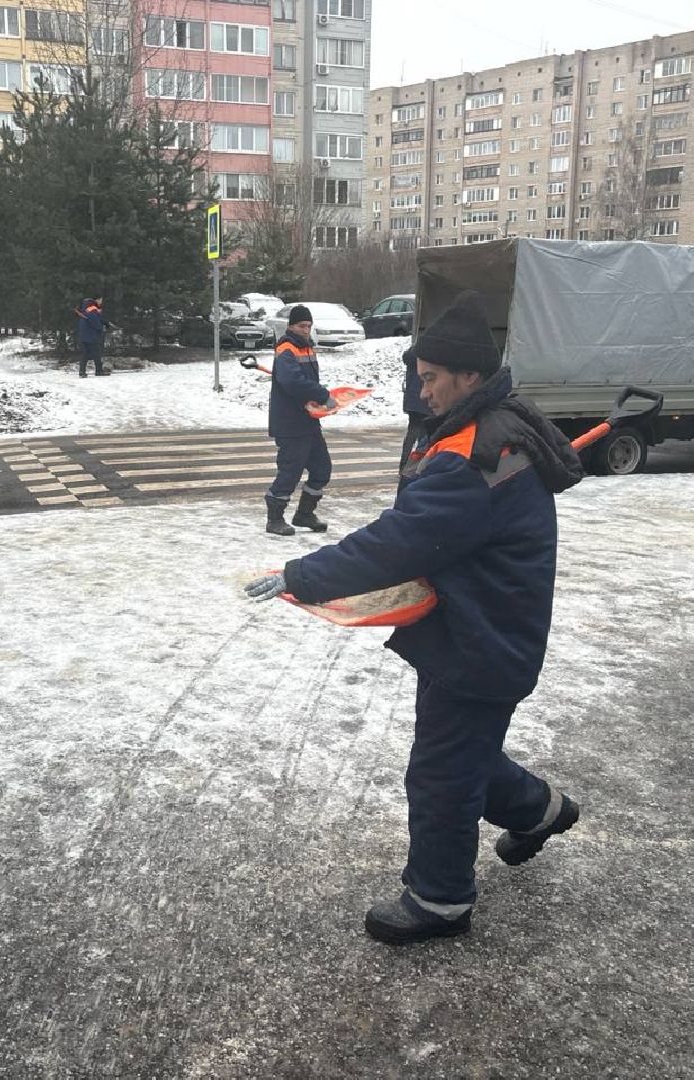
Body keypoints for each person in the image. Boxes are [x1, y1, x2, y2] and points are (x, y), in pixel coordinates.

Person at [244, 291, 585, 945]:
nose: (421, 391)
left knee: (441, 770)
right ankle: (539, 811)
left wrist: (301, 575)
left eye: (431, 379)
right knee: (461, 752)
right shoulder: (481, 428)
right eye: (417, 378)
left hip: (483, 637)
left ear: (469, 377)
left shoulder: (475, 458)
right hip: (477, 625)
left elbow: (401, 540)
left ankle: (441, 898)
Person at [264, 304, 334, 536]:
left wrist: (318, 401)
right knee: (290, 472)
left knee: (322, 469)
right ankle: (274, 519)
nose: (306, 330)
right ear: (291, 326)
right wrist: (322, 394)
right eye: (302, 326)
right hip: (290, 423)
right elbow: (292, 382)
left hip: (308, 421)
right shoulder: (287, 348)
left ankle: (304, 514)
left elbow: (303, 381)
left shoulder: (306, 348)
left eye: (309, 326)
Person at [398, 343, 433, 476]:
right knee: (424, 436)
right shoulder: (426, 360)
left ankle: (403, 466)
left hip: (412, 403)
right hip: (423, 403)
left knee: (411, 434)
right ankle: (415, 466)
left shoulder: (410, 358)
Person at [76, 296, 109, 378]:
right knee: (96, 353)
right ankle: (99, 371)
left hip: (84, 335)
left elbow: (95, 318)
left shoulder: (85, 307)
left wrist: (105, 322)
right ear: (96, 299)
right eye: (100, 300)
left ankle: (82, 372)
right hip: (91, 335)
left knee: (85, 354)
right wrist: (101, 328)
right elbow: (95, 321)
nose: (101, 302)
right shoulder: (92, 308)